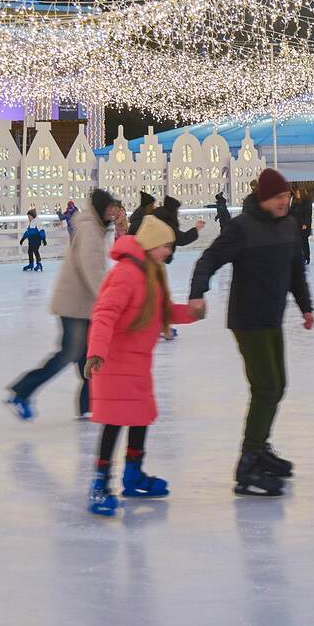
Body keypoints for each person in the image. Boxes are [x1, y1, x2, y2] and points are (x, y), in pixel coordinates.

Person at [188, 168, 314, 498]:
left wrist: (306, 307)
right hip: (247, 320)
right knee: (266, 387)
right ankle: (248, 464)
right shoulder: (243, 227)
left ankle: (260, 447)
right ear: (264, 199)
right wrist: (197, 293)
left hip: (272, 318)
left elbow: (295, 270)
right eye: (278, 198)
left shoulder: (287, 225)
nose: (284, 202)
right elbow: (209, 259)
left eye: (286, 196)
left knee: (277, 385)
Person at [81, 214, 203, 516]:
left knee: (140, 416)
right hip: (114, 361)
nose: (169, 252)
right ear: (150, 245)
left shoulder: (150, 273)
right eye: (166, 246)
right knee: (114, 421)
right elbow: (105, 313)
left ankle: (133, 474)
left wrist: (191, 313)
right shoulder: (126, 273)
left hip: (136, 363)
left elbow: (163, 311)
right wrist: (96, 352)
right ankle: (99, 484)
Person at [6, 188, 123, 421]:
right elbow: (91, 269)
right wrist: (109, 301)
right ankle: (21, 391)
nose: (115, 213)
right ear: (102, 208)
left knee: (87, 357)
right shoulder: (90, 229)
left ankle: (87, 407)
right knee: (70, 353)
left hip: (83, 305)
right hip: (75, 305)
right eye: (111, 208)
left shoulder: (95, 227)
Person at [157, 195, 205, 261]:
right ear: (172, 211)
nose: (177, 212)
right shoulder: (166, 223)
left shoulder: (159, 217)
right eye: (176, 210)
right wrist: (197, 228)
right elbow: (181, 239)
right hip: (155, 258)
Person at [291, 186, 314, 264]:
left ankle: (306, 257)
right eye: (296, 193)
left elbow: (307, 214)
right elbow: (292, 212)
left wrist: (305, 224)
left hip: (303, 226)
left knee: (304, 242)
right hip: (296, 225)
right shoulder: (295, 202)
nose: (297, 194)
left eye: (298, 193)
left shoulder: (307, 202)